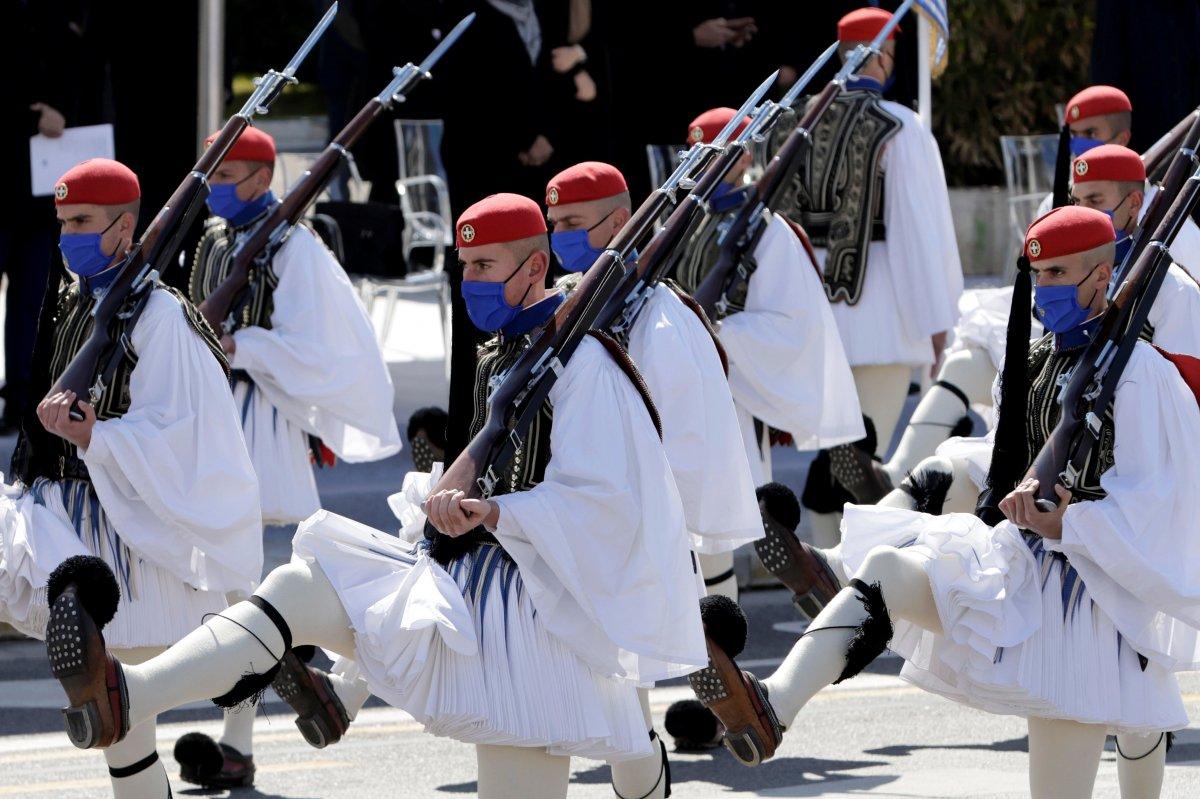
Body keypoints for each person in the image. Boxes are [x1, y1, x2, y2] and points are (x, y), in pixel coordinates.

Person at [47, 193, 706, 799]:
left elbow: (610, 504)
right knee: (299, 584)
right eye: (465, 263)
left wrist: (501, 510)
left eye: (487, 265)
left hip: (538, 615)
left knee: (600, 729)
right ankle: (131, 692)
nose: (471, 279)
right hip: (458, 580)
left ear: (535, 267)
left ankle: (643, 764)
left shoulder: (586, 362)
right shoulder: (499, 356)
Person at [694, 206, 1200, 798]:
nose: (1046, 288)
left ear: (1103, 274)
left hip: (1090, 606)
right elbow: (1012, 452)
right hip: (1022, 565)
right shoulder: (1037, 362)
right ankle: (772, 706)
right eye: (1039, 275)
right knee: (889, 568)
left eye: (1061, 273)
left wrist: (1073, 522)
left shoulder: (1144, 377)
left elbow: (1165, 502)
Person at [1, 158, 262, 799]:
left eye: (83, 222)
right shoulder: (74, 295)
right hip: (62, 506)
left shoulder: (161, 316)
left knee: (120, 707)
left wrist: (98, 434)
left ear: (126, 228)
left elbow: (185, 433)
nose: (67, 237)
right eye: (62, 222)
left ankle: (282, 658)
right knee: (118, 712)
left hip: (127, 519)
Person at [175, 126, 401, 788]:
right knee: (227, 582)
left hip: (256, 420)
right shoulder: (214, 237)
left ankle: (321, 687)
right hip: (208, 414)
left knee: (249, 579)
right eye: (211, 175)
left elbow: (324, 349)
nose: (215, 187)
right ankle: (279, 699)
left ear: (260, 179)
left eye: (227, 175)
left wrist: (246, 348)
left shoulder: (294, 248)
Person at [786, 7, 962, 548]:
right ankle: (843, 582)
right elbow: (919, 236)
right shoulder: (900, 126)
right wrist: (940, 324)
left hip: (818, 322)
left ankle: (819, 567)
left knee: (832, 459)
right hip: (884, 319)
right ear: (885, 56)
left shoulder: (803, 121)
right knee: (868, 467)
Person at [672, 107, 864, 486]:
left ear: (744, 157)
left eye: (714, 155)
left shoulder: (767, 231)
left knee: (735, 508)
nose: (703, 167)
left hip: (731, 388)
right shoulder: (686, 222)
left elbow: (792, 327)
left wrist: (718, 334)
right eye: (697, 157)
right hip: (680, 383)